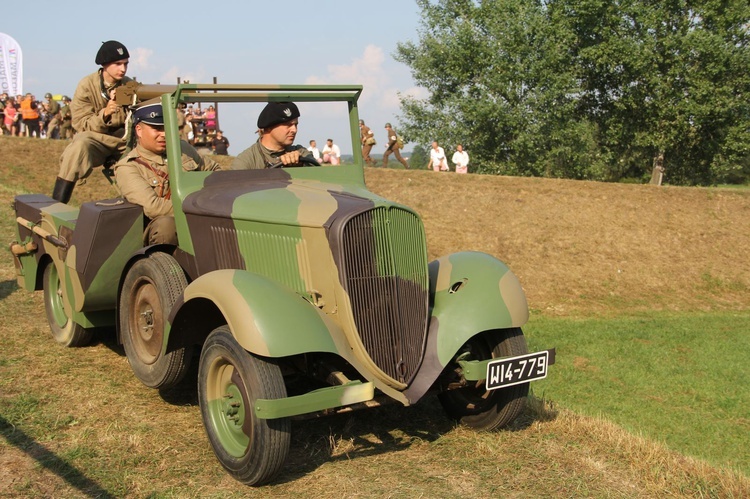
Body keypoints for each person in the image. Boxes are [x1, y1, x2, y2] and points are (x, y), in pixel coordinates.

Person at [114, 102, 222, 245]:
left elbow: (216, 172)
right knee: (167, 225)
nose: (164, 134)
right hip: (153, 232)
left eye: (166, 128)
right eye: (157, 129)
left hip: (197, 215)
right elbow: (153, 207)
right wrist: (200, 207)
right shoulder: (128, 167)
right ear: (139, 130)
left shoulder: (182, 149)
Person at [51, 40, 134, 203]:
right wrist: (105, 114)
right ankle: (57, 205)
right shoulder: (87, 85)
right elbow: (81, 125)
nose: (123, 68)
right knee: (79, 145)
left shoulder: (130, 85)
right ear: (105, 64)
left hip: (124, 141)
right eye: (117, 64)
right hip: (97, 141)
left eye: (125, 64)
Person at [231, 101, 315, 169]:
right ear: (268, 127)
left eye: (295, 125)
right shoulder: (247, 161)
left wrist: (301, 165)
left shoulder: (300, 153)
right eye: (288, 125)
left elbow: (319, 177)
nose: (294, 130)